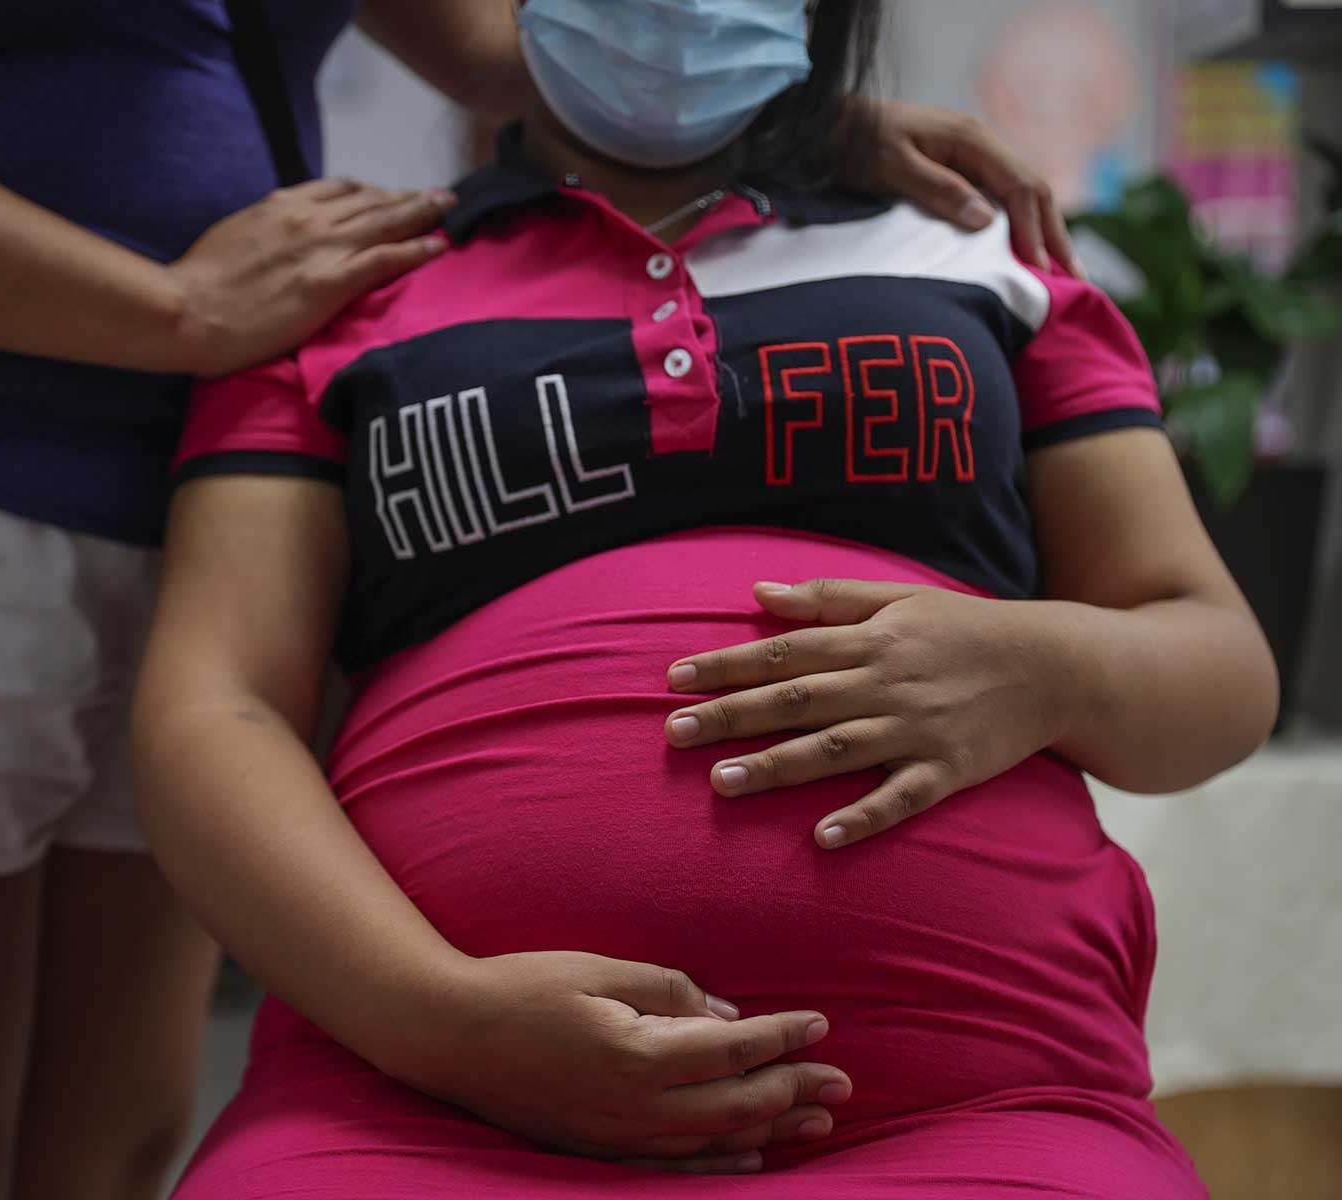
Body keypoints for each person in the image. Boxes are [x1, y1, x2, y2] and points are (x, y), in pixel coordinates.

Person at [0, 0, 1098, 1195]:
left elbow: (526, 38)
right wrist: (171, 311)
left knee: (108, 1151)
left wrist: (804, 121)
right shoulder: (218, 342)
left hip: (177, 487)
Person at [134, 0, 1279, 1194]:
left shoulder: (978, 256)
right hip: (409, 1098)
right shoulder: (338, 292)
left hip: (980, 1104)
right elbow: (216, 705)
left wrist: (1045, 670)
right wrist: (439, 1019)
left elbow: (1219, 666)